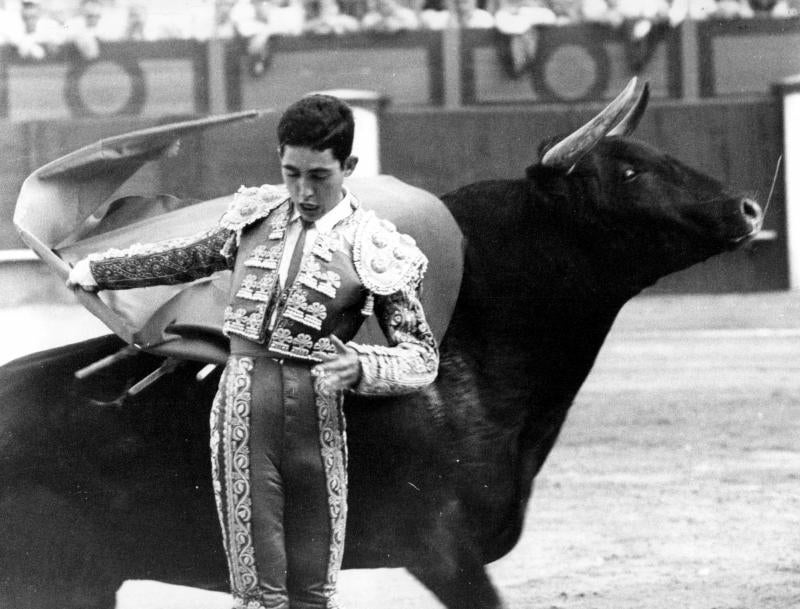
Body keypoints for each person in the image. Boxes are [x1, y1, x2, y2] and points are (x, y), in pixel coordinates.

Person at [67, 94, 439, 609]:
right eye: (291, 173)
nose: (304, 191)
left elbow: (421, 355)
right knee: (258, 591)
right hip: (244, 412)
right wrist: (102, 270)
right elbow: (188, 258)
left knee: (313, 589)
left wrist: (366, 365)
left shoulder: (376, 245)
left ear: (348, 167)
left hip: (320, 418)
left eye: (319, 176)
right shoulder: (253, 217)